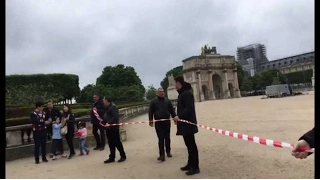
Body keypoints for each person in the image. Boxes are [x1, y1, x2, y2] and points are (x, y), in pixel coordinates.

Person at [173, 76, 200, 175]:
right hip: (185, 124)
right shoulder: (183, 93)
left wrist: (178, 116)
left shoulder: (186, 94)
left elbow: (189, 109)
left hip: (188, 124)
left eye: (175, 83)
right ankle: (190, 164)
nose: (174, 85)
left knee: (191, 145)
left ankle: (195, 167)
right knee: (188, 145)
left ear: (179, 83)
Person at [148, 87, 177, 162]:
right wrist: (150, 120)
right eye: (160, 92)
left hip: (167, 122)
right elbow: (150, 111)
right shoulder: (153, 101)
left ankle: (168, 151)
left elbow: (171, 110)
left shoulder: (167, 100)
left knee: (167, 137)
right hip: (158, 123)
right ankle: (162, 155)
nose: (162, 93)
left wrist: (174, 118)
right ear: (157, 93)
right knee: (161, 139)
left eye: (163, 91)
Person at [102, 97, 127, 163]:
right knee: (110, 143)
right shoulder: (107, 107)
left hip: (113, 128)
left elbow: (115, 117)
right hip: (108, 128)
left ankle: (123, 156)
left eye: (104, 100)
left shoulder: (113, 107)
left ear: (107, 100)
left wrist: (109, 123)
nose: (103, 101)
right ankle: (112, 157)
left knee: (117, 142)